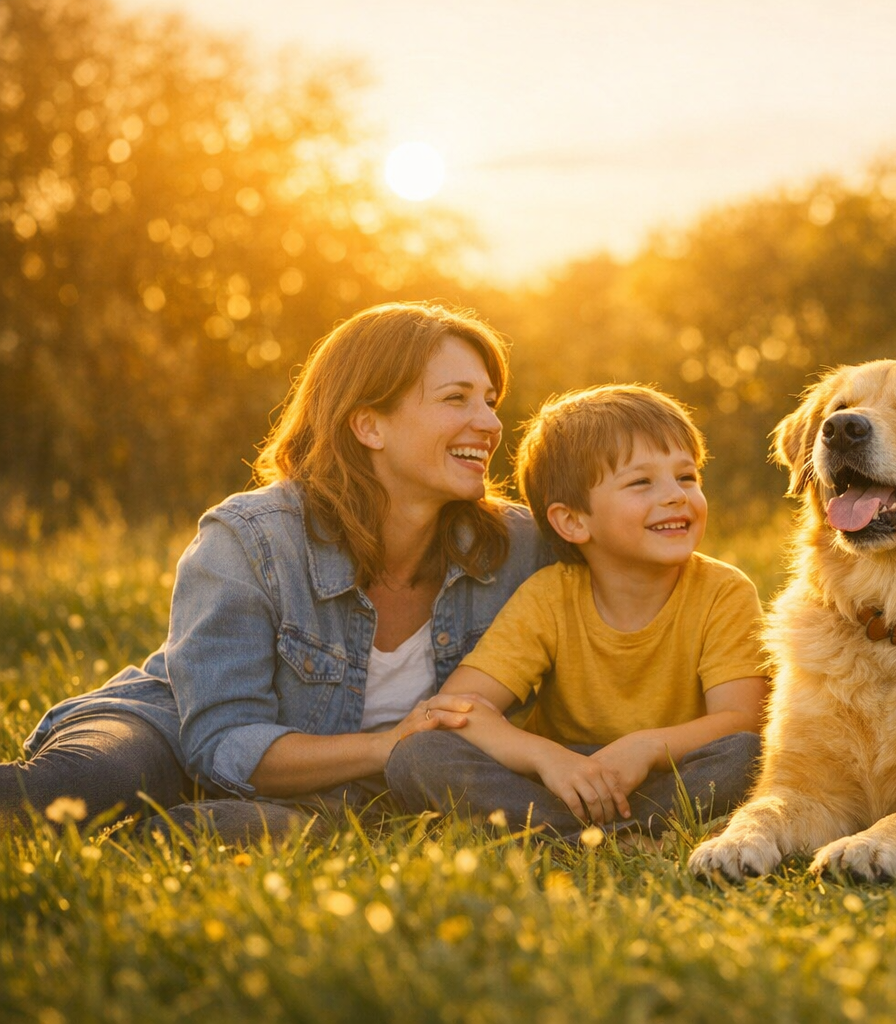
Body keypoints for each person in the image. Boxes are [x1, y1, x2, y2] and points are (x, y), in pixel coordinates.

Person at [1, 302, 547, 841]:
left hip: (337, 789)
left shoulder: (518, 547)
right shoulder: (253, 537)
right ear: (368, 425)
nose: (492, 424)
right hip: (174, 726)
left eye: (491, 402)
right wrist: (391, 744)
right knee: (72, 790)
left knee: (247, 832)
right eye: (457, 399)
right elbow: (221, 739)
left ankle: (155, 838)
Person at [386, 385, 768, 840]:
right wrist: (550, 760)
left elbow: (741, 720)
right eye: (641, 482)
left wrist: (646, 748)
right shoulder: (550, 596)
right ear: (572, 522)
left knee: (747, 754)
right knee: (419, 754)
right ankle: (619, 837)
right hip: (563, 776)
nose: (675, 496)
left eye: (686, 477)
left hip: (668, 768)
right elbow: (455, 709)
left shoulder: (723, 592)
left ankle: (571, 839)